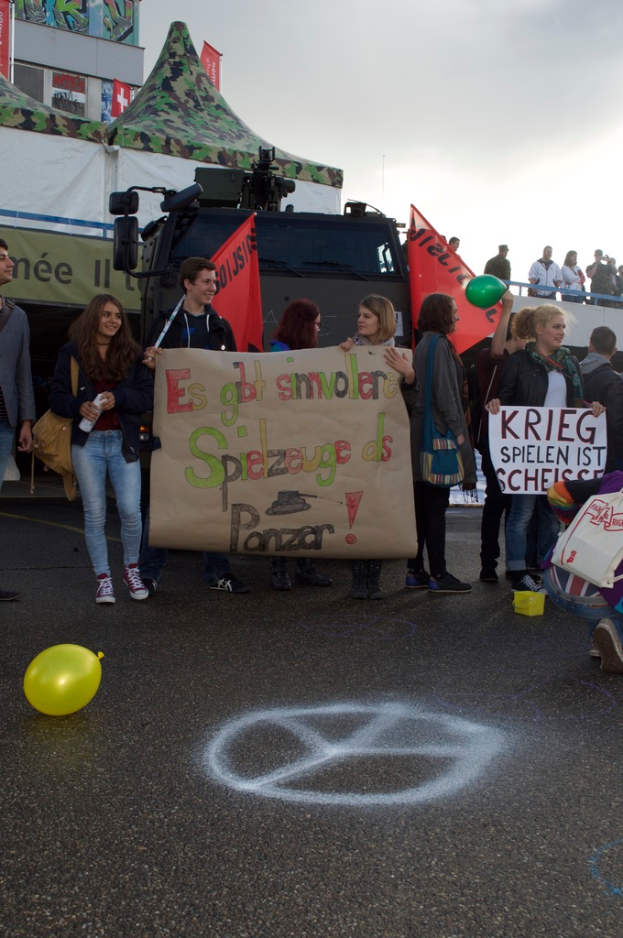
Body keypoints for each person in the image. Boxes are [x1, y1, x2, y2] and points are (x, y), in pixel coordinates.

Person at [140, 256, 250, 595]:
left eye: (214, 282)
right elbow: (146, 370)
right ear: (188, 284)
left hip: (212, 426)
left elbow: (233, 372)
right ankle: (149, 573)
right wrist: (149, 362)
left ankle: (218, 572)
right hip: (173, 427)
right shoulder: (164, 324)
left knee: (214, 498)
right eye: (206, 281)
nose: (212, 287)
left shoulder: (221, 326)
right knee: (162, 499)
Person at [487, 305, 604, 594]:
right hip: (529, 454)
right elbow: (506, 399)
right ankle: (517, 572)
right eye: (556, 327)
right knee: (522, 512)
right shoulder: (519, 361)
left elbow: (578, 403)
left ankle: (545, 569)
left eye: (563, 327)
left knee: (552, 512)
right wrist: (496, 406)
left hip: (557, 454)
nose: (562, 332)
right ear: (539, 329)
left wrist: (593, 407)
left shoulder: (571, 363)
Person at [49, 294, 154, 604]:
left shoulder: (133, 354)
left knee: (130, 511)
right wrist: (77, 405)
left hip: (124, 442)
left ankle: (131, 570)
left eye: (118, 316)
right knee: (94, 514)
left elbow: (147, 398)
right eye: (107, 314)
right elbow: (55, 396)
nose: (113, 320)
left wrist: (118, 398)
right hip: (87, 443)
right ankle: (103, 579)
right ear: (94, 317)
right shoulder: (71, 352)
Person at [390, 293, 476, 594]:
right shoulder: (439, 344)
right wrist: (460, 434)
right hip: (437, 435)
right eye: (454, 311)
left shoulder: (424, 343)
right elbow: (445, 396)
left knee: (423, 507)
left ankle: (416, 571)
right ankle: (439, 574)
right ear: (442, 314)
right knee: (435, 508)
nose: (458, 317)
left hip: (420, 434)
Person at [341, 295, 411, 598]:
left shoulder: (397, 354)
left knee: (378, 510)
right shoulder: (350, 349)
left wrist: (408, 373)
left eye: (367, 315)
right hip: (355, 443)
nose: (361, 320)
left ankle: (374, 580)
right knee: (356, 510)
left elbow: (409, 397)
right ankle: (358, 580)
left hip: (384, 446)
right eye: (359, 314)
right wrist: (341, 355)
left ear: (382, 320)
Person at [268, 299, 332, 591]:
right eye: (316, 324)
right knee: (282, 503)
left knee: (305, 504)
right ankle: (279, 568)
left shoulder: (304, 353)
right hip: (282, 439)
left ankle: (305, 566)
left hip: (306, 439)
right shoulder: (278, 352)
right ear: (305, 324)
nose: (319, 329)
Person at [544, 472, 623, 673]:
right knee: (611, 579)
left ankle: (600, 638)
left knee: (603, 571)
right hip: (598, 601)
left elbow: (556, 492)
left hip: (554, 581)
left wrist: (576, 522)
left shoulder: (616, 479)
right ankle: (617, 638)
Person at [474, 291, 527, 583]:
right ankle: (488, 564)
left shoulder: (526, 363)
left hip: (519, 441)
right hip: (495, 440)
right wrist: (507, 308)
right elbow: (497, 353)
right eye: (526, 334)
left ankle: (516, 563)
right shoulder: (489, 358)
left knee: (515, 505)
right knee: (497, 500)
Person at [0, 238, 35, 601]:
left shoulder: (18, 315)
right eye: (2, 258)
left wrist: (26, 421)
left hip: (3, 424)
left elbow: (24, 373)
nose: (10, 264)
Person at [580, 326, 623, 473]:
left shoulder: (570, 373)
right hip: (604, 458)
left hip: (572, 452)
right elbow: (616, 422)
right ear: (614, 351)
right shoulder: (614, 380)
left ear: (590, 344)